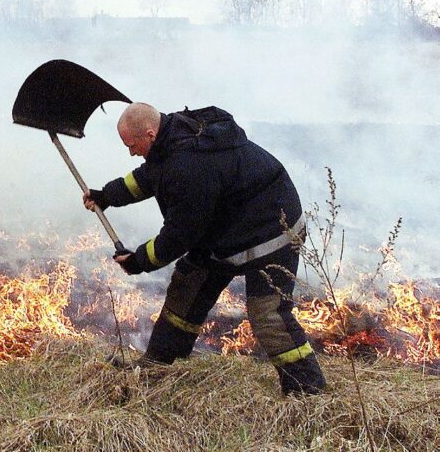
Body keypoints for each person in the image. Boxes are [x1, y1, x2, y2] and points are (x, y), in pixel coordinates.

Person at [83, 102, 326, 396]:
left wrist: (139, 261)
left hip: (272, 230)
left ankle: (307, 391)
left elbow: (178, 236)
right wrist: (107, 196)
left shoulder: (191, 166)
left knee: (268, 315)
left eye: (132, 145)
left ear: (149, 134)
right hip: (224, 228)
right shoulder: (172, 138)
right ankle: (159, 367)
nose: (131, 152)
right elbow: (148, 177)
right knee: (186, 289)